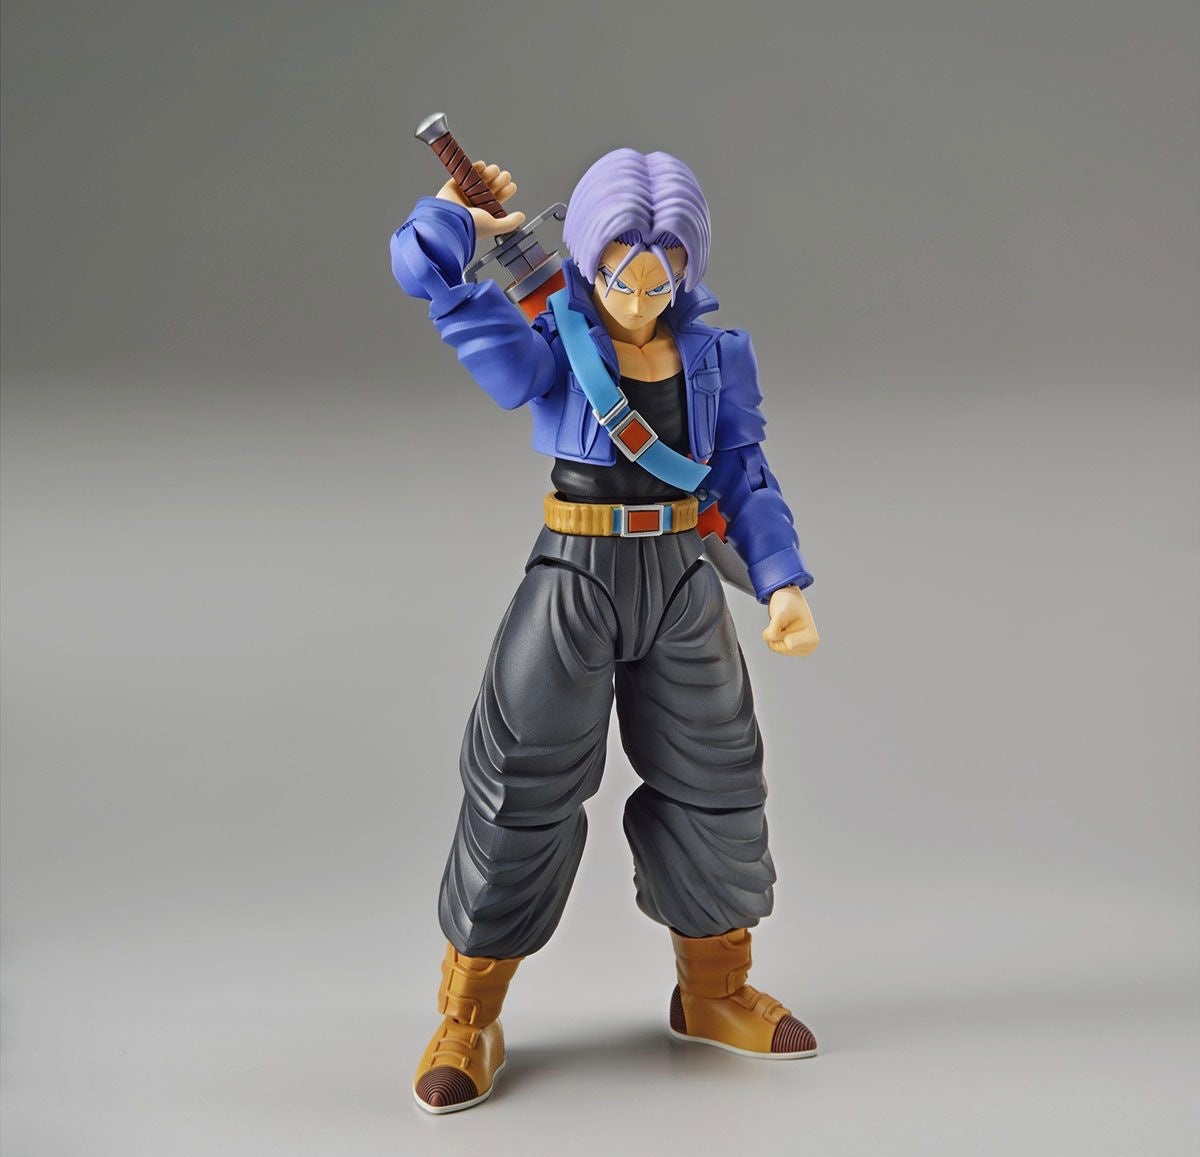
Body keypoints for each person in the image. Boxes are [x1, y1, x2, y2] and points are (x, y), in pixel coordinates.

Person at [391, 147, 821, 1114]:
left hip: (679, 579)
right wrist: (459, 221)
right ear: (587, 258)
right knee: (521, 785)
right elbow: (433, 283)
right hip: (575, 572)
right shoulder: (556, 343)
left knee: (718, 780)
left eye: (661, 273)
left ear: (688, 266)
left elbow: (744, 474)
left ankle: (713, 990)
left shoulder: (717, 355)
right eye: (621, 271)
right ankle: (468, 1012)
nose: (639, 293)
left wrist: (782, 582)